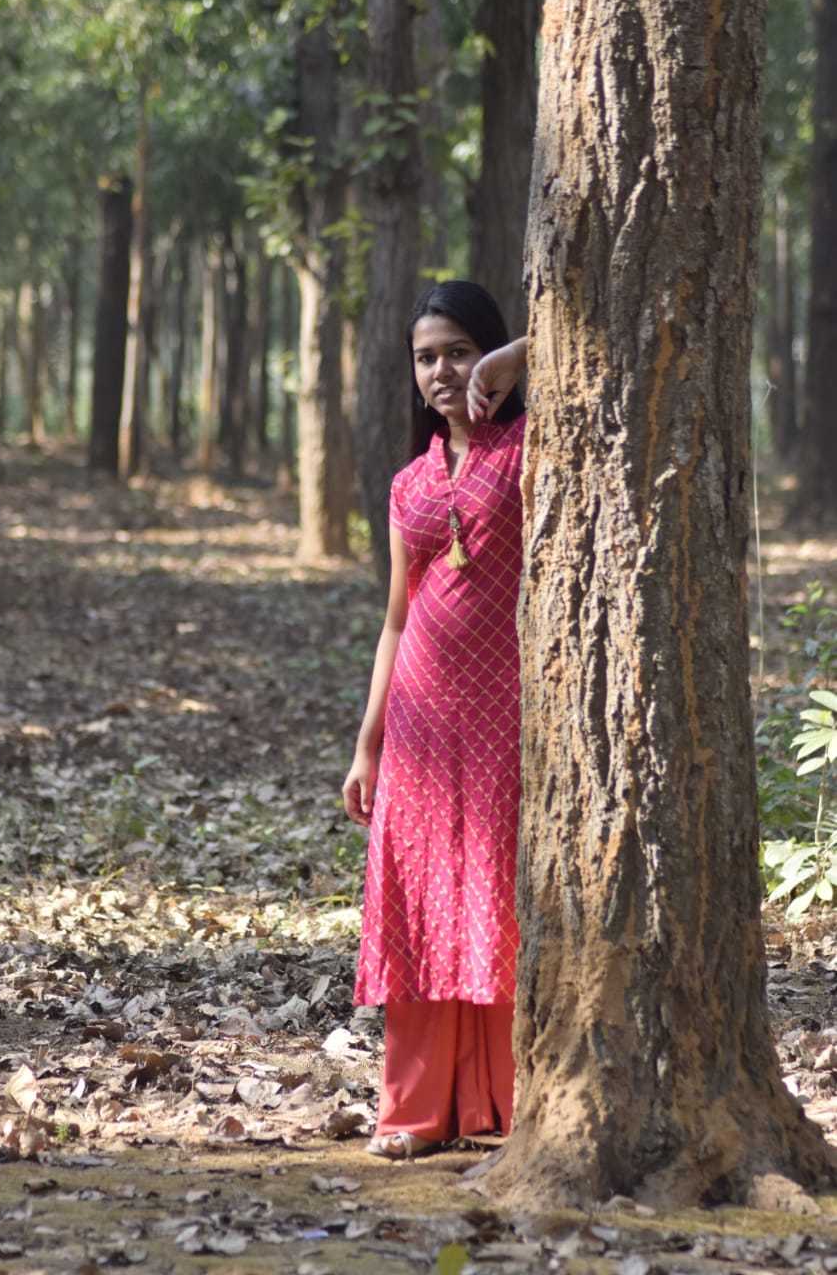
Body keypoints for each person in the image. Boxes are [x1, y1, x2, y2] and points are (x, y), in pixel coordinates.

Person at [342, 280, 528, 1160]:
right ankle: (415, 1111)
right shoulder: (408, 482)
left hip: (508, 712)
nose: (443, 371)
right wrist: (367, 744)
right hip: (418, 717)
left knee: (496, 897)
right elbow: (396, 618)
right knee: (420, 903)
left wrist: (513, 358)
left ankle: (506, 1104)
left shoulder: (533, 448)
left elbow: (592, 351)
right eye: (426, 358)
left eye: (459, 350)